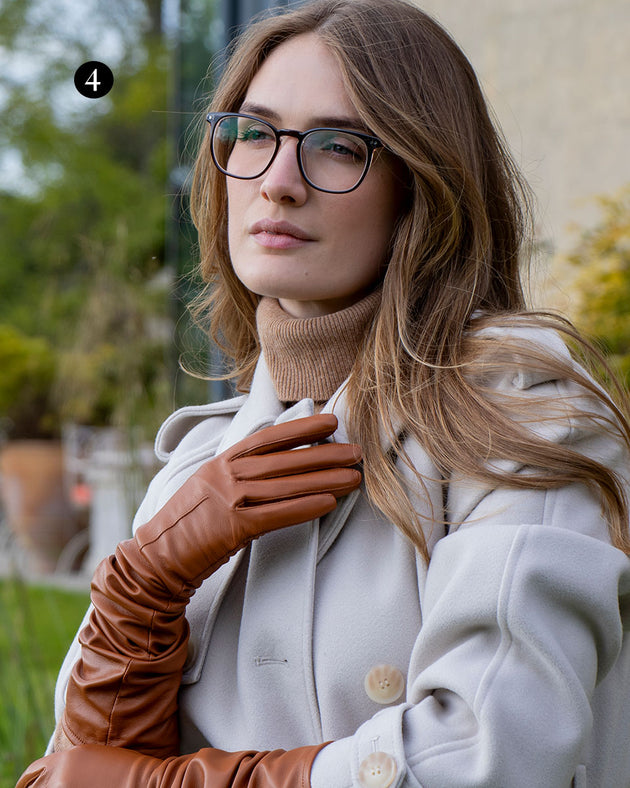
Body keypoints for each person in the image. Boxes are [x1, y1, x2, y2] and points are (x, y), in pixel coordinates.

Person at [18, 0, 630, 785]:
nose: (277, 182)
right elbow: (83, 764)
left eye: (338, 146)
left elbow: (491, 756)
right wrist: (138, 595)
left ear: (423, 182)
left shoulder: (521, 408)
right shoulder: (198, 465)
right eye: (255, 133)